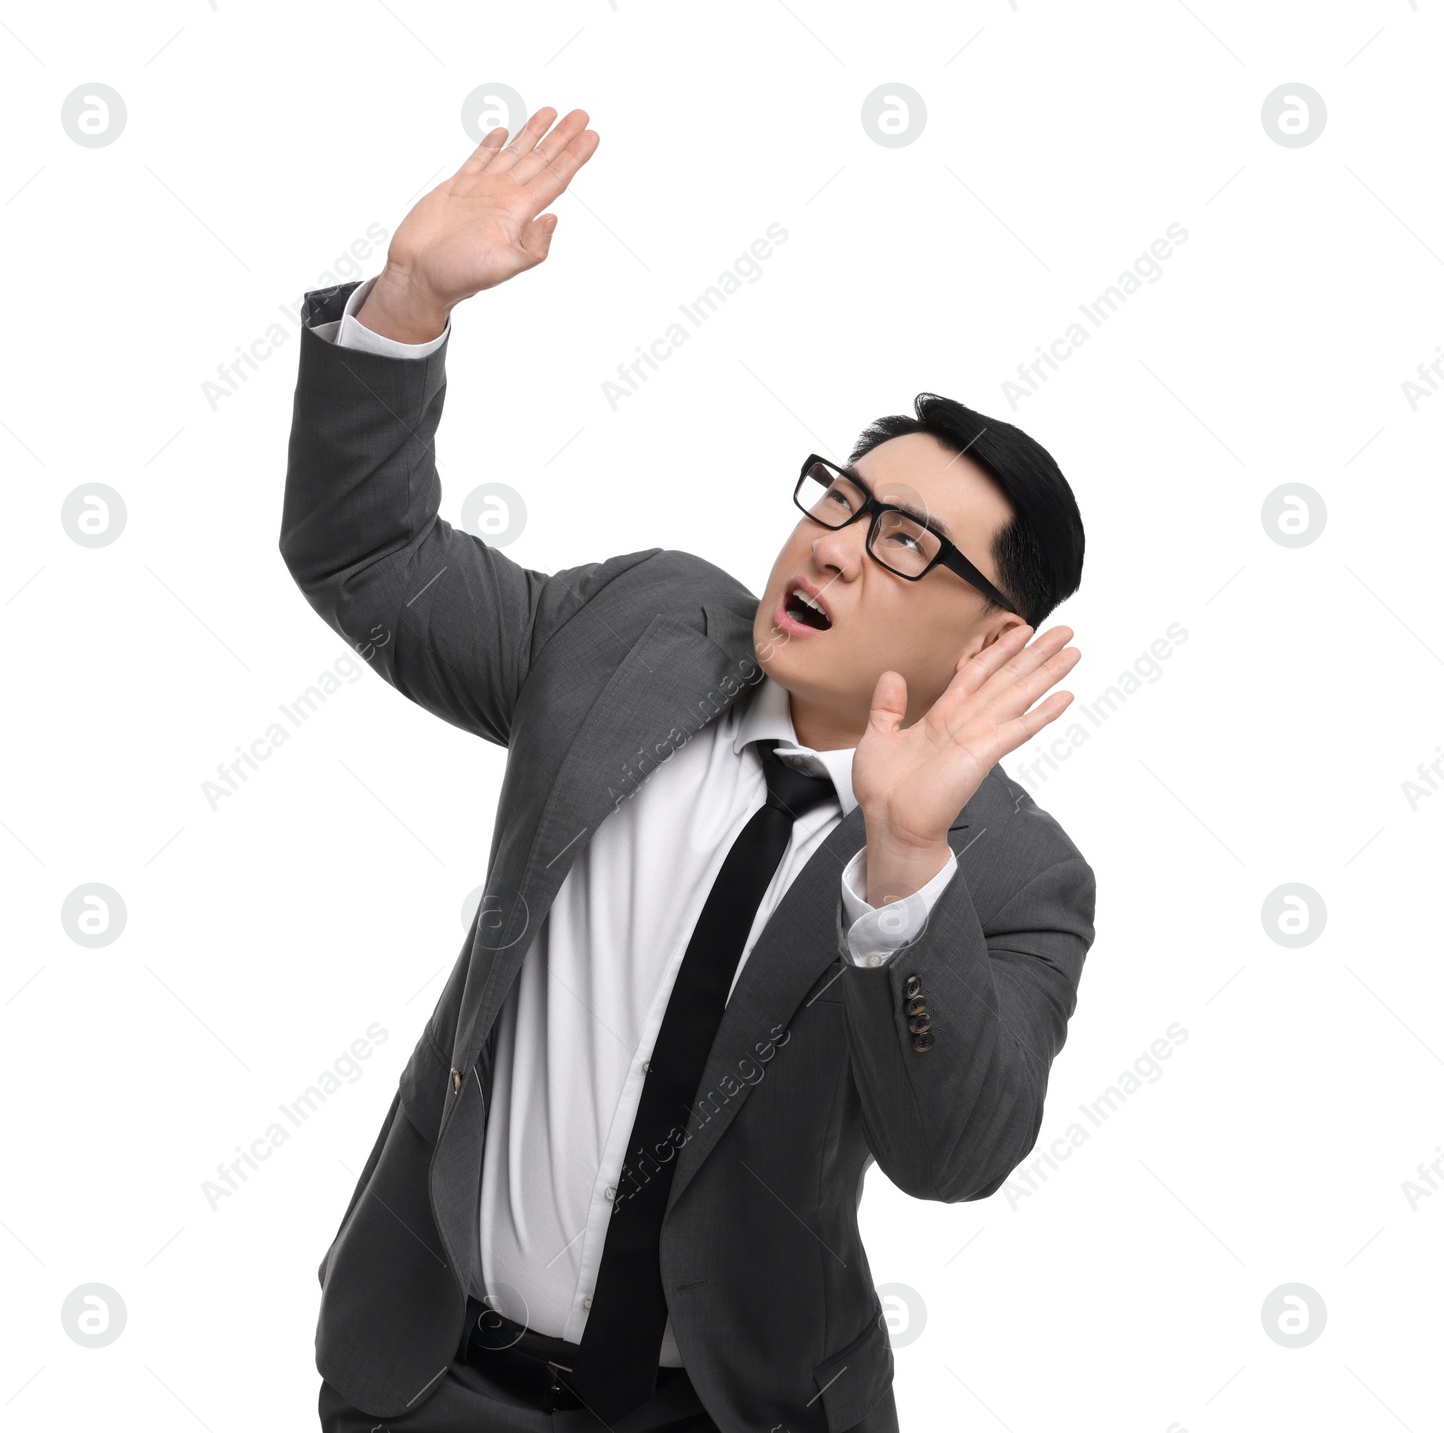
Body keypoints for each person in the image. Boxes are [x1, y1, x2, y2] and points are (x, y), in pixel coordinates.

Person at [279, 106, 1096, 1433]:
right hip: (434, 1379)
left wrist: (902, 869)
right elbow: (367, 563)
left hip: (719, 1410)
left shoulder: (1014, 870)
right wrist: (410, 302)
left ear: (996, 637)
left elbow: (956, 1154)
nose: (834, 545)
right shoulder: (640, 633)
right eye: (839, 498)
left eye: (902, 544)